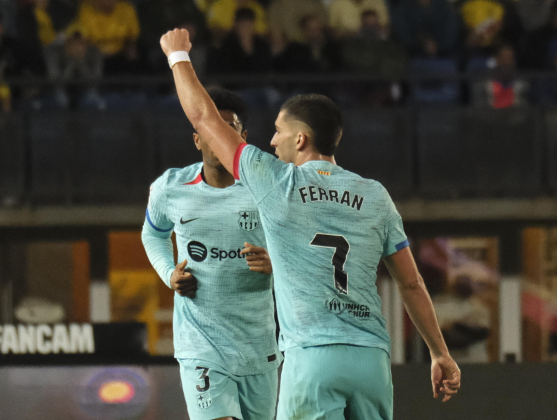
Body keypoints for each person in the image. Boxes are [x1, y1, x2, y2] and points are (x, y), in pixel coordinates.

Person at [159, 28, 461, 419]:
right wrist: (440, 353)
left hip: (313, 358)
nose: (271, 141)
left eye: (279, 132)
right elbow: (411, 282)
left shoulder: (278, 184)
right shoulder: (375, 195)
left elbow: (204, 118)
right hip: (372, 361)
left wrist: (177, 57)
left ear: (301, 140)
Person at [141, 87, 282, 420]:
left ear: (241, 138)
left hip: (257, 346)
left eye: (228, 128)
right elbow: (153, 234)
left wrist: (275, 263)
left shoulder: (268, 185)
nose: (219, 136)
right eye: (211, 128)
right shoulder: (171, 187)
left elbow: (300, 246)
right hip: (201, 343)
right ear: (197, 139)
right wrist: (169, 274)